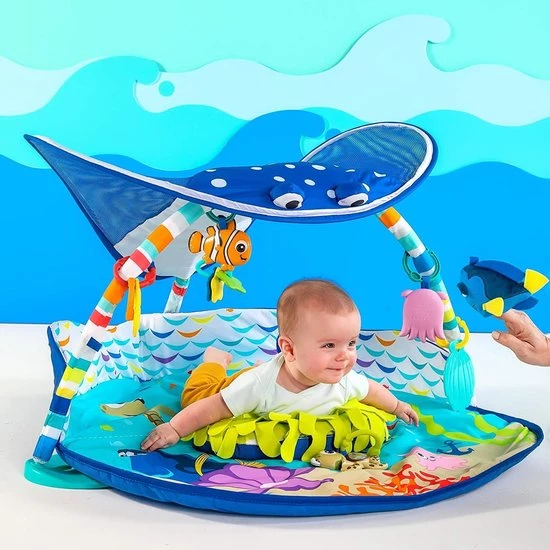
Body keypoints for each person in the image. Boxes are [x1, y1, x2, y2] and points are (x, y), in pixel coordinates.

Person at [141, 278, 419, 452]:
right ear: (289, 349)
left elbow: (370, 390)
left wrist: (397, 406)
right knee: (196, 395)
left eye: (351, 343)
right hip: (236, 383)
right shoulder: (258, 386)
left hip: (280, 368)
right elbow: (212, 407)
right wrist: (174, 429)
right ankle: (215, 360)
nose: (344, 356)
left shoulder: (343, 378)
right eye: (329, 346)